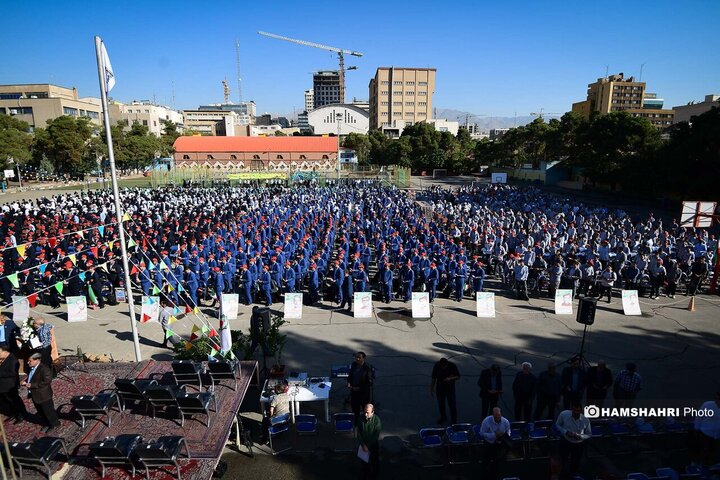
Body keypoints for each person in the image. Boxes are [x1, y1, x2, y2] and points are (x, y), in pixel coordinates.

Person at [21, 352, 60, 432]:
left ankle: (54, 424)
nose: (28, 363)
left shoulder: (44, 369)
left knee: (48, 411)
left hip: (43, 395)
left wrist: (31, 385)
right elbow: (31, 377)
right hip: (35, 395)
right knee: (41, 411)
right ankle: (46, 423)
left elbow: (47, 381)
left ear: (37, 360)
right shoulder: (31, 368)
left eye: (30, 361)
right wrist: (26, 381)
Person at [556, 403, 592, 480]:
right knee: (562, 460)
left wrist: (580, 436)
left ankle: (573, 475)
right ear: (572, 409)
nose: (576, 413)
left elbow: (589, 434)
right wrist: (565, 432)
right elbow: (558, 425)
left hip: (578, 444)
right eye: (574, 411)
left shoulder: (586, 420)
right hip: (565, 441)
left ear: (581, 411)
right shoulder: (564, 414)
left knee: (575, 462)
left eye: (578, 411)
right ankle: (562, 475)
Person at [479, 407, 511, 480]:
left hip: (499, 444)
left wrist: (503, 437)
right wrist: (494, 435)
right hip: (489, 444)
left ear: (501, 415)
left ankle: (495, 475)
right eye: (495, 417)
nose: (497, 418)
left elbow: (508, 431)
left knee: (497, 462)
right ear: (492, 415)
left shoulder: (505, 422)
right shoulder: (486, 421)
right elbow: (481, 433)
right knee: (486, 461)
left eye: (499, 416)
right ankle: (484, 475)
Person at [0, 344, 29, 424]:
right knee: (7, 401)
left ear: (5, 351)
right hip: (3, 386)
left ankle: (20, 416)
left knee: (15, 401)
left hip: (10, 386)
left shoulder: (13, 360)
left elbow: (12, 373)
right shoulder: (3, 358)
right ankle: (13, 413)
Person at [690, 391, 720, 466]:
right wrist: (696, 430)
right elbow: (699, 417)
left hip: (718, 436)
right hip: (705, 434)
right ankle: (700, 468)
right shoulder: (707, 405)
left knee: (714, 455)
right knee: (703, 453)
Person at [431, 357, 460, 424]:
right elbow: (434, 377)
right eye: (442, 367)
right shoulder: (437, 366)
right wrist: (432, 388)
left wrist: (450, 378)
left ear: (447, 364)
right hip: (440, 387)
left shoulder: (452, 366)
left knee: (452, 405)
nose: (443, 368)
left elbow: (458, 376)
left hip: (450, 388)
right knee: (441, 404)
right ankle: (443, 417)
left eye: (445, 366)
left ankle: (454, 421)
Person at [357, 403, 381, 479]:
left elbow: (376, 435)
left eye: (368, 412)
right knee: (364, 463)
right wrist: (363, 445)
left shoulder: (376, 420)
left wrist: (368, 446)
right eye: (365, 412)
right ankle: (365, 475)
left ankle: (374, 475)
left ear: (372, 412)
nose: (365, 414)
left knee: (374, 461)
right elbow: (359, 433)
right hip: (364, 445)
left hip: (373, 445)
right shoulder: (361, 418)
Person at [348, 352, 373, 423]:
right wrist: (349, 383)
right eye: (356, 357)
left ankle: (366, 422)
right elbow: (350, 376)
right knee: (355, 408)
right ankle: (356, 421)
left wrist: (359, 388)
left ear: (363, 358)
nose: (357, 359)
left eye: (359, 357)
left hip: (363, 394)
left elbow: (369, 383)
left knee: (365, 408)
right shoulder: (354, 364)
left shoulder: (367, 368)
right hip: (354, 392)